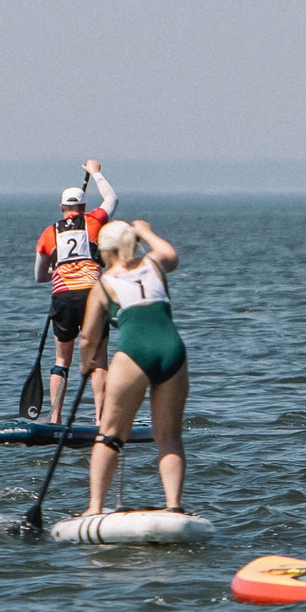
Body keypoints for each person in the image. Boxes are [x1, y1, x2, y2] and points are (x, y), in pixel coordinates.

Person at [78, 219, 189, 517]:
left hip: (133, 354)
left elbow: (88, 337)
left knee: (110, 435)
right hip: (173, 351)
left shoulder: (104, 284)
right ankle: (174, 505)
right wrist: (145, 231)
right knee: (169, 436)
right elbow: (171, 254)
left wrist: (86, 365)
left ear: (106, 252)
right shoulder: (154, 264)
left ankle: (94, 507)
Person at [33, 162, 118, 418]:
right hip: (93, 295)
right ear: (83, 207)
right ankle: (100, 420)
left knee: (62, 361)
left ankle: (55, 418)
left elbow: (39, 276)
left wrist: (57, 269)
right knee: (98, 360)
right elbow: (112, 199)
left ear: (62, 208)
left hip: (63, 297)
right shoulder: (94, 221)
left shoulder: (48, 233)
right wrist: (95, 172)